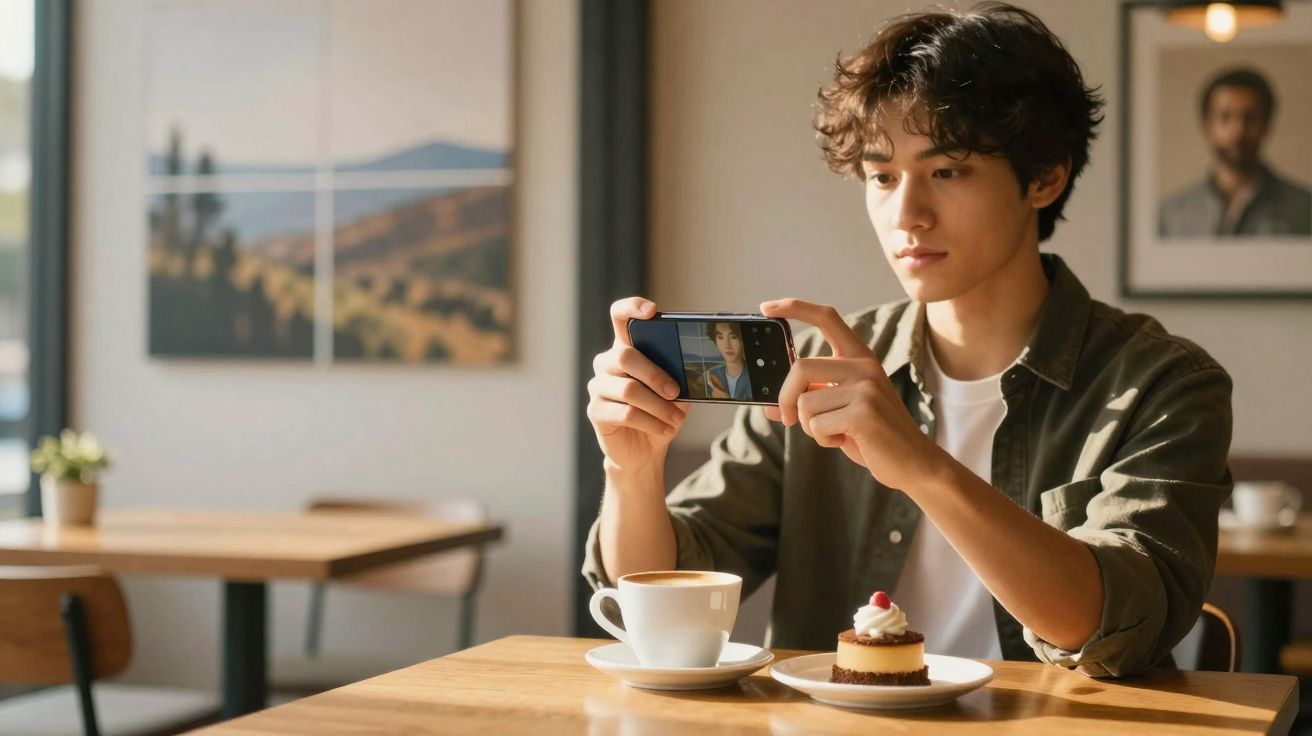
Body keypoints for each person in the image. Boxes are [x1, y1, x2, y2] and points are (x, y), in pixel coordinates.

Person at [583, 1, 1232, 678]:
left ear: (1046, 177)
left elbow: (1107, 629)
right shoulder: (819, 368)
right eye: (882, 176)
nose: (907, 215)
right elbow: (657, 592)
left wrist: (921, 464)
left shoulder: (1165, 383)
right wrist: (631, 469)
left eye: (946, 171)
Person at [1159, 67, 1312, 237]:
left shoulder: (1305, 208)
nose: (1238, 131)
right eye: (1225, 117)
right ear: (1206, 125)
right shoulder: (1172, 214)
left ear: (1267, 124)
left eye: (1250, 118)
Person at [701, 322, 753, 400]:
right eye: (720, 337)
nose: (727, 345)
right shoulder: (711, 375)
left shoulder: (753, 375)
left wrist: (726, 398)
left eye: (733, 337)